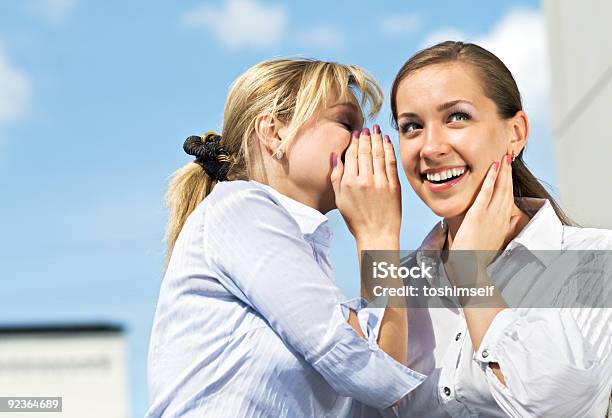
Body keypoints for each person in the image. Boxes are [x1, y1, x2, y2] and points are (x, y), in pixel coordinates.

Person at [145, 58, 425, 418]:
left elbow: (375, 385)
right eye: (345, 122)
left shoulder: (304, 253)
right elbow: (377, 378)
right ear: (274, 132)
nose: (362, 142)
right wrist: (378, 234)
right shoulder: (240, 209)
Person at [390, 41, 612, 417]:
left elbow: (557, 408)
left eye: (457, 117)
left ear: (516, 132)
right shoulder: (397, 281)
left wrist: (470, 272)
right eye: (412, 126)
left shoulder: (594, 260)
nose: (430, 147)